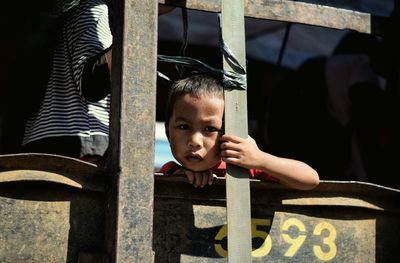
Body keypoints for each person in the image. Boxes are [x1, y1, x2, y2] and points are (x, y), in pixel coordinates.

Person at [21, 0, 174, 166]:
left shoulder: (55, 20)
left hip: (44, 143)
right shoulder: (93, 10)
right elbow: (92, 83)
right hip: (80, 146)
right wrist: (142, 17)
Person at [159, 74, 319, 190]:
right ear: (168, 132)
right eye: (183, 127)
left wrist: (261, 159)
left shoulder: (242, 168)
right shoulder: (171, 171)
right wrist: (179, 178)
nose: (195, 141)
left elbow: (310, 179)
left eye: (210, 129)